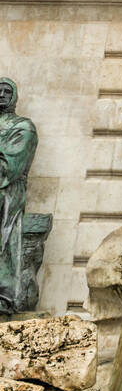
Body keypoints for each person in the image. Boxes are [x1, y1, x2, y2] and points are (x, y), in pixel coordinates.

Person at [0, 78, 39, 313]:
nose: (2, 95)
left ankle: (4, 295)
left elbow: (11, 164)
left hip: (7, 194)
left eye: (7, 91)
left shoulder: (23, 126)